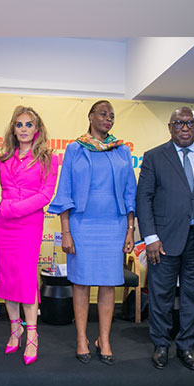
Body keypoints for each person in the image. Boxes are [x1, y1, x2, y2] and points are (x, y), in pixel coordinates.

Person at [136, 107, 194, 371]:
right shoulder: (154, 157)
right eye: (179, 123)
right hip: (162, 241)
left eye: (190, 123)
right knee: (161, 294)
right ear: (170, 127)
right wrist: (150, 237)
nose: (185, 127)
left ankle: (187, 346)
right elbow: (144, 198)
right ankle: (161, 345)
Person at [48, 100, 136, 365]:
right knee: (82, 282)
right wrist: (66, 231)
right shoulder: (75, 148)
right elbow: (64, 192)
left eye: (111, 115)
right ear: (90, 116)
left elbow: (130, 193)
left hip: (115, 225)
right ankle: (81, 339)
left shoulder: (121, 151)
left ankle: (104, 339)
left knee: (109, 283)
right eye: (102, 113)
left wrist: (130, 229)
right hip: (82, 225)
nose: (108, 118)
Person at [0, 106, 58, 365]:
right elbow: (6, 188)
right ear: (13, 129)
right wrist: (8, 209)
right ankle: (14, 328)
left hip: (28, 222)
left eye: (28, 124)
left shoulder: (49, 158)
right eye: (18, 125)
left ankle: (32, 334)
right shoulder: (3, 157)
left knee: (26, 277)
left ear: (37, 129)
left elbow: (45, 195)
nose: (23, 129)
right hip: (4, 224)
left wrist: (16, 208)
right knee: (8, 276)